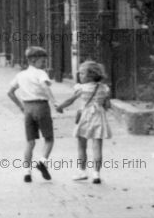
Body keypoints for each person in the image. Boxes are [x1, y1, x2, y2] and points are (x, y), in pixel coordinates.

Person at [7, 46, 58, 183]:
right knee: (49, 138)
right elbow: (46, 87)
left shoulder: (20, 75)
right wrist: (54, 102)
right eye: (43, 61)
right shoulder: (41, 73)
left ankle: (26, 172)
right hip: (41, 106)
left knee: (30, 142)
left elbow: (10, 92)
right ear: (33, 60)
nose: (44, 64)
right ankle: (42, 161)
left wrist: (20, 106)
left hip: (27, 108)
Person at [56, 61, 112, 184]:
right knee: (97, 147)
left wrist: (60, 107)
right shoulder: (104, 88)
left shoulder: (81, 88)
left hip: (85, 117)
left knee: (82, 145)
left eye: (82, 73)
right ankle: (96, 174)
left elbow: (70, 100)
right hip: (99, 117)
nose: (79, 75)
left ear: (90, 75)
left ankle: (82, 172)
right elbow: (107, 105)